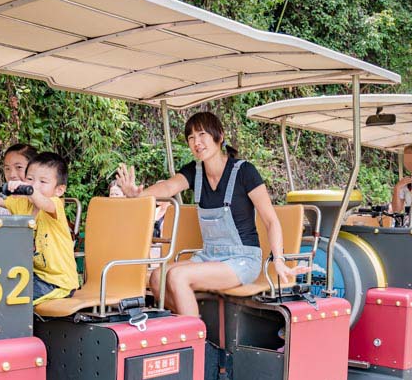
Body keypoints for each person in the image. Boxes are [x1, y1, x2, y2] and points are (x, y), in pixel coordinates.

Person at [115, 111, 304, 317]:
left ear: (219, 136)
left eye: (202, 134)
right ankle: (194, 325)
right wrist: (139, 195)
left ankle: (195, 341)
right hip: (209, 256)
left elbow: (271, 221)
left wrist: (279, 259)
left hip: (242, 259)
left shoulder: (244, 172)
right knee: (157, 277)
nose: (197, 142)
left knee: (178, 276)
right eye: (191, 137)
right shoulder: (194, 172)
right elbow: (169, 187)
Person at [0, 152, 79, 305]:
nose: (34, 185)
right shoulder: (21, 204)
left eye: (43, 181)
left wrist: (30, 190)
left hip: (57, 282)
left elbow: (43, 203)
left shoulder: (55, 205)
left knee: (9, 301)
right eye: (30, 179)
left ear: (59, 190)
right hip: (33, 276)